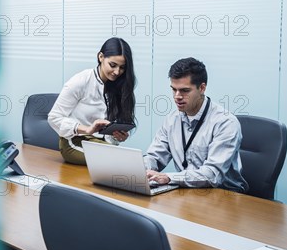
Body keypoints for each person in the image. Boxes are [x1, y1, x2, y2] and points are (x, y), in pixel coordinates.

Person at [144, 57, 248, 192]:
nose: (177, 96)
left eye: (184, 91)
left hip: (225, 196)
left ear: (202, 88)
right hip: (189, 192)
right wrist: (141, 168)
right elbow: (154, 157)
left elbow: (211, 174)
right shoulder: (172, 120)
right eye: (173, 89)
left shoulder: (225, 122)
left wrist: (168, 178)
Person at [48, 37, 136, 165]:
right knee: (116, 162)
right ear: (101, 57)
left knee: (127, 160)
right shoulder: (81, 81)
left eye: (122, 68)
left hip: (100, 143)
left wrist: (118, 136)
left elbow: (108, 135)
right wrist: (87, 129)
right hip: (74, 141)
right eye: (113, 65)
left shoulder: (119, 86)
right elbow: (53, 118)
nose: (117, 72)